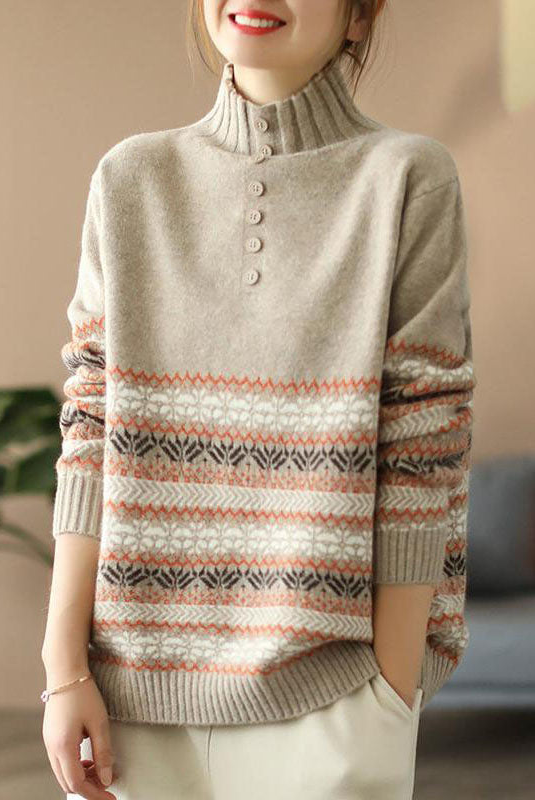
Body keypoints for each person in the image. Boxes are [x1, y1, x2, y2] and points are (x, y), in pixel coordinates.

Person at [41, 1, 477, 799]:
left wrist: (389, 689)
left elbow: (423, 442)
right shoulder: (130, 178)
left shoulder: (407, 176)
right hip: (126, 701)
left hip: (335, 695)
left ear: (359, 15)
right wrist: (63, 669)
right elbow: (91, 427)